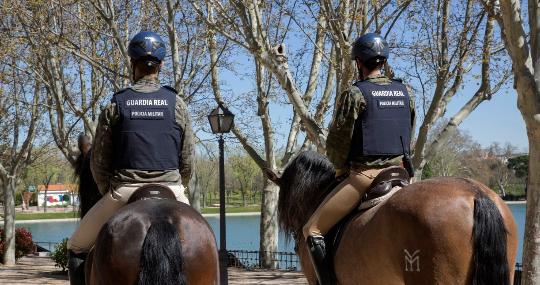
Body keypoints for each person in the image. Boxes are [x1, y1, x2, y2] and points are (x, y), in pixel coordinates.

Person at [67, 31, 194, 284]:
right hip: (173, 189)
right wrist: (180, 187)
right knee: (205, 241)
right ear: (162, 65)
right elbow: (188, 160)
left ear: (131, 63)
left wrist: (109, 190)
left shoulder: (116, 105)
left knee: (77, 246)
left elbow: (99, 162)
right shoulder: (177, 104)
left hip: (125, 190)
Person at [303, 33, 415, 285]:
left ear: (359, 63)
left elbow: (336, 144)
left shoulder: (355, 94)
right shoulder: (406, 92)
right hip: (401, 173)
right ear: (384, 61)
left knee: (312, 230)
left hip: (366, 176)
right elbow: (409, 133)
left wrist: (340, 166)